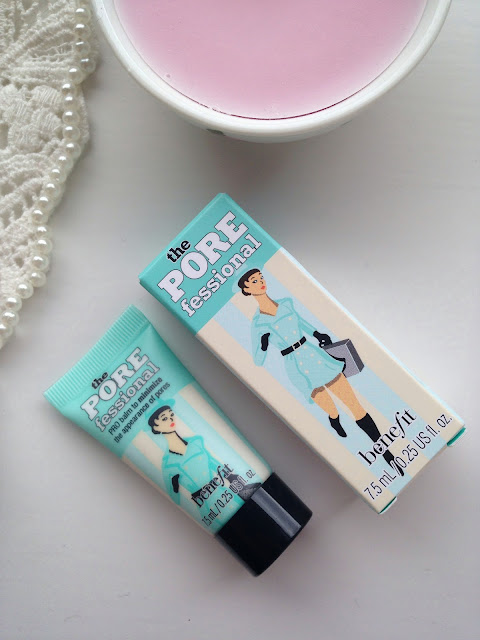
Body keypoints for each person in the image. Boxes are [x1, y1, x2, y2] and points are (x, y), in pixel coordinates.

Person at [238, 268, 403, 476]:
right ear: (247, 289)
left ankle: (387, 454)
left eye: (261, 277)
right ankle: (334, 418)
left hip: (314, 355)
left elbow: (302, 323)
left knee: (355, 406)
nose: (261, 282)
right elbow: (257, 360)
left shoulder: (286, 303)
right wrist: (263, 344)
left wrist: (318, 334)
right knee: (331, 408)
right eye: (254, 281)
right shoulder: (258, 323)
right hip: (296, 367)